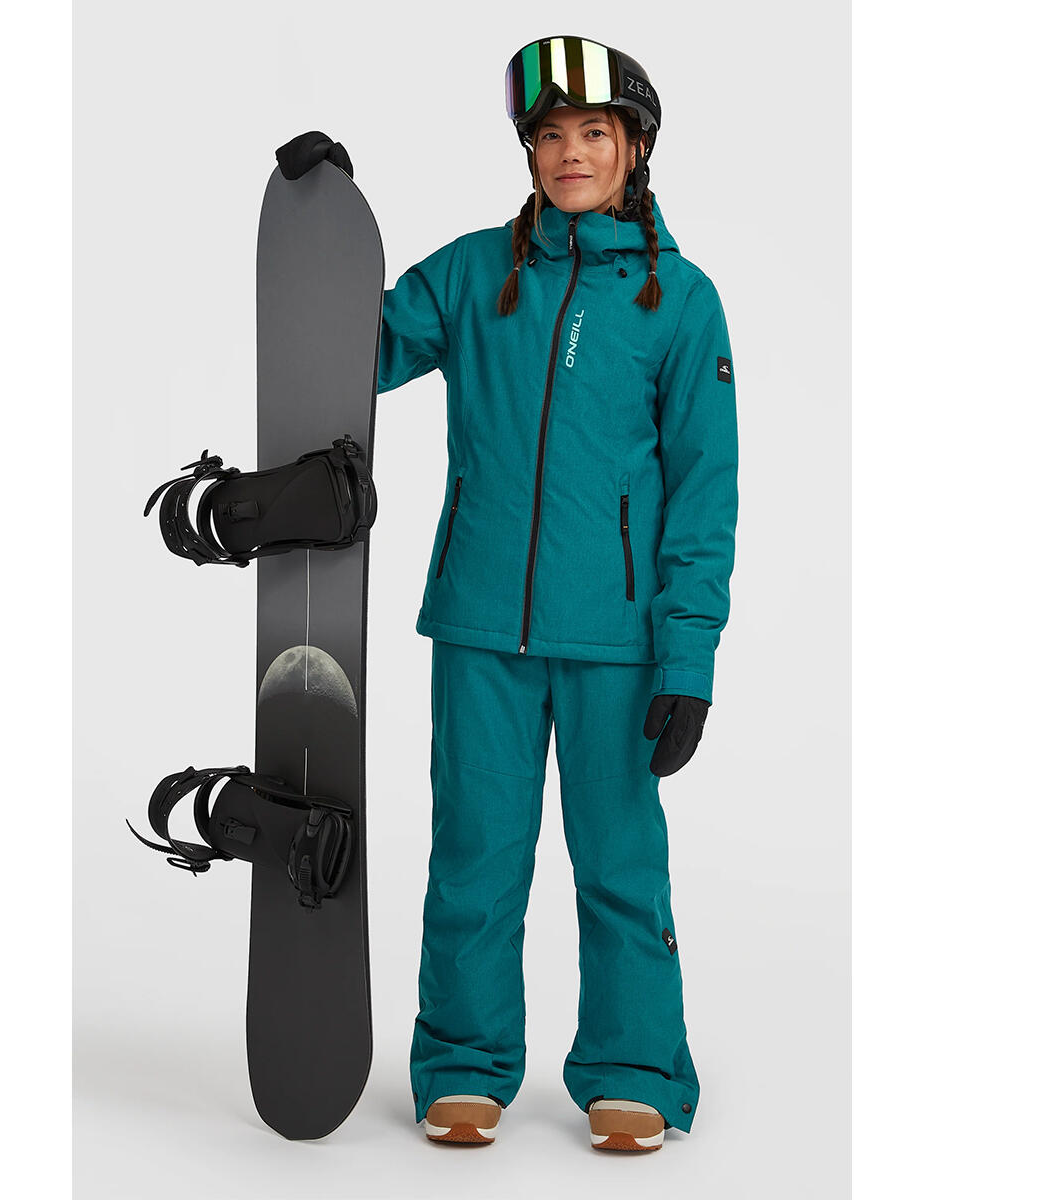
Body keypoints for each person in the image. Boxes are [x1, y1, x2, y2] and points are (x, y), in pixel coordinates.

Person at [378, 36, 739, 1151]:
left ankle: (635, 1065)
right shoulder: (472, 275)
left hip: (617, 643)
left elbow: (705, 496)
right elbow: (353, 353)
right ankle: (464, 1060)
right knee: (474, 857)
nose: (570, 152)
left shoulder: (681, 302)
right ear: (527, 151)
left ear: (635, 148)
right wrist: (321, 223)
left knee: (620, 863)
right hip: (481, 624)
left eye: (594, 131)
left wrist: (688, 661)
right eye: (549, 134)